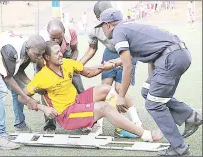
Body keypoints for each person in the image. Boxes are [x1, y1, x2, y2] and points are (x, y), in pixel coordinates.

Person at [95, 8, 202, 156]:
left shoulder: (118, 32)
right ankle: (190, 116)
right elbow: (140, 54)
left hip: (170, 58)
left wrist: (121, 96)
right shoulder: (130, 26)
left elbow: (128, 67)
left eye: (101, 26)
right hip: (178, 54)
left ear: (107, 24)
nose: (102, 30)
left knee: (154, 104)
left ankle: (179, 147)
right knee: (147, 91)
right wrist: (116, 63)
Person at [18, 40, 164, 143]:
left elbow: (88, 72)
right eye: (57, 53)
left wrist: (109, 66)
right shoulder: (41, 77)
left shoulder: (67, 63)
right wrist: (42, 107)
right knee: (104, 107)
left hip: (76, 101)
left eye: (60, 51)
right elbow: (22, 97)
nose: (61, 54)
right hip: (66, 115)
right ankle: (145, 134)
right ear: (47, 57)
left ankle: (118, 127)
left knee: (107, 89)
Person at [0, 30, 47, 150]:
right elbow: (9, 77)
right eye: (37, 54)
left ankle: (20, 126)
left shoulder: (27, 51)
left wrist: (33, 86)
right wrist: (27, 99)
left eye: (42, 54)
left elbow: (18, 72)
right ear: (29, 47)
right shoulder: (11, 50)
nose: (39, 57)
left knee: (21, 89)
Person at [79, 1, 142, 137]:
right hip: (109, 53)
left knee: (120, 89)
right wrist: (77, 66)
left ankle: (137, 123)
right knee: (104, 88)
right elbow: (91, 49)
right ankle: (98, 127)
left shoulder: (123, 25)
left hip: (126, 53)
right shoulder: (95, 30)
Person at [38, 19, 85, 134]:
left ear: (64, 32)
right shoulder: (42, 39)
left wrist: (69, 66)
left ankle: (83, 121)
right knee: (46, 93)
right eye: (52, 38)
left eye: (59, 37)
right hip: (48, 66)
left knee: (80, 90)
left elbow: (75, 51)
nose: (56, 40)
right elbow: (38, 63)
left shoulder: (71, 33)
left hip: (67, 60)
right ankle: (50, 125)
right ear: (48, 33)